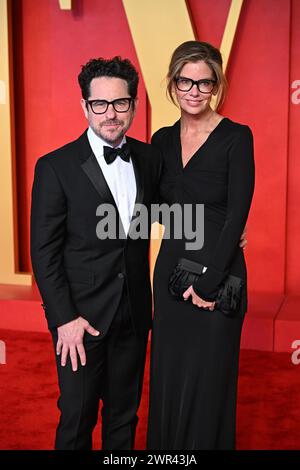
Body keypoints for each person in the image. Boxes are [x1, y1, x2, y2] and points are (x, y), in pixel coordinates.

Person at [30, 57, 161, 450]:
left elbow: (175, 210)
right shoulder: (55, 167)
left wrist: (225, 228)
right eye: (100, 104)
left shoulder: (150, 159)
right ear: (85, 106)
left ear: (134, 105)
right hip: (80, 320)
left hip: (134, 315)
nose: (111, 114)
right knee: (77, 418)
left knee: (124, 418)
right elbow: (44, 251)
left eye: (120, 103)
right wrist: (64, 319)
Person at [147, 41, 255, 450]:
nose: (194, 90)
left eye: (203, 82)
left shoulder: (236, 138)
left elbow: (236, 217)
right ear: (173, 83)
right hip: (171, 269)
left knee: (210, 382)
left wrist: (209, 282)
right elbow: (154, 209)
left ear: (216, 85)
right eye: (185, 81)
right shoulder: (160, 140)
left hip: (219, 273)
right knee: (169, 376)